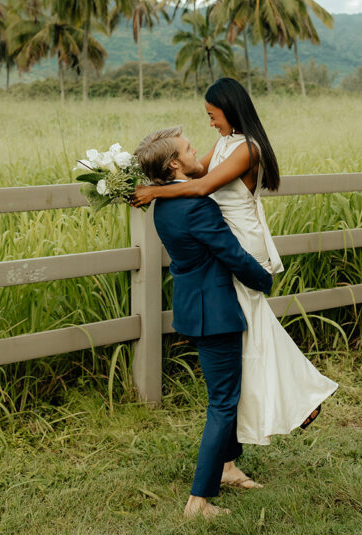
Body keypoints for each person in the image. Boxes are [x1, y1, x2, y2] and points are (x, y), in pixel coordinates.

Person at [133, 77, 338, 446]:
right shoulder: (225, 142)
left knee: (255, 332)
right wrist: (144, 169)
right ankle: (297, 401)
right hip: (225, 237)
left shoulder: (249, 148)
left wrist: (153, 191)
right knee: (255, 332)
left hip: (241, 240)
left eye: (213, 115)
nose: (210, 122)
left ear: (230, 110)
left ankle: (301, 398)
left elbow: (203, 187)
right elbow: (195, 172)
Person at [134, 126, 273, 520]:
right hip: (215, 313)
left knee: (226, 393)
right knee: (223, 403)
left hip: (195, 308)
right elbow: (231, 253)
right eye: (190, 149)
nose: (200, 153)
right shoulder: (196, 206)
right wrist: (264, 280)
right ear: (175, 163)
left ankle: (228, 468)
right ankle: (199, 501)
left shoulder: (165, 205)